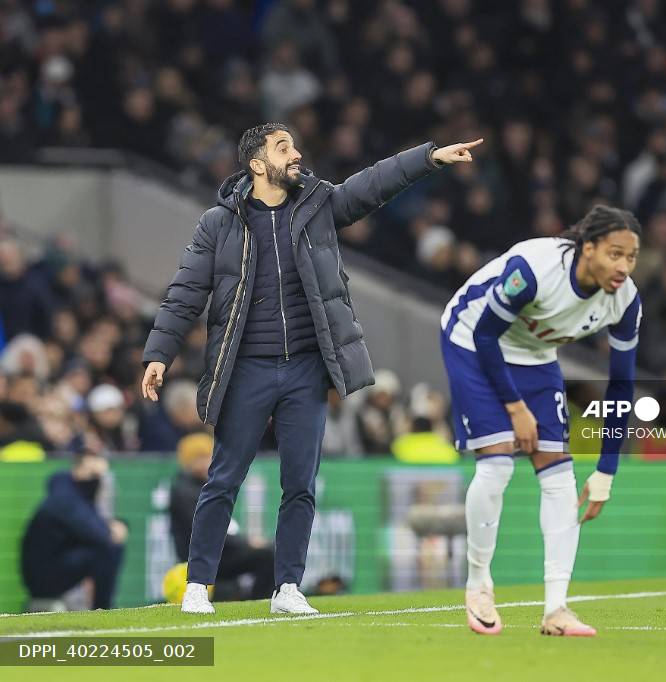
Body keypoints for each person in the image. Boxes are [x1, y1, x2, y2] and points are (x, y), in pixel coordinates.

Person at [140, 121, 481, 615]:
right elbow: (185, 292)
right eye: (284, 148)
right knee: (223, 478)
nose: (296, 154)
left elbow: (371, 184)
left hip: (306, 369)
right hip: (245, 370)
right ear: (257, 164)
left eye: (295, 144)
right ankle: (199, 584)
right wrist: (158, 354)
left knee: (300, 482)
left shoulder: (318, 203)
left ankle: (287, 589)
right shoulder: (218, 223)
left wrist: (428, 158)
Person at [440, 205, 643, 636]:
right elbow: (484, 334)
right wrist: (516, 409)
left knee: (559, 478)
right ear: (588, 248)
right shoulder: (535, 269)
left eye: (631, 257)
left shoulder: (625, 301)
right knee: (497, 464)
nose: (623, 267)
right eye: (614, 254)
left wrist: (607, 469)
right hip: (474, 341)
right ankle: (478, 584)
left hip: (535, 356)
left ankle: (557, 610)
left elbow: (621, 387)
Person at [170, 433, 274, 599]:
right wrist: (247, 542)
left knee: (269, 552)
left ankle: (260, 599)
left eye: (209, 457)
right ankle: (259, 599)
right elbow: (206, 531)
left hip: (222, 552)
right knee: (268, 555)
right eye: (201, 458)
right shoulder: (184, 491)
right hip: (206, 557)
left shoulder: (207, 486)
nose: (207, 462)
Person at [20, 452, 127, 610]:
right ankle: (103, 611)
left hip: (53, 566)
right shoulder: (64, 498)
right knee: (108, 550)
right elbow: (99, 534)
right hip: (42, 577)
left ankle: (102, 610)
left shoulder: (75, 494)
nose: (97, 481)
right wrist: (112, 530)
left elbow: (94, 526)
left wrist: (116, 527)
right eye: (93, 474)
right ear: (78, 469)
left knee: (109, 548)